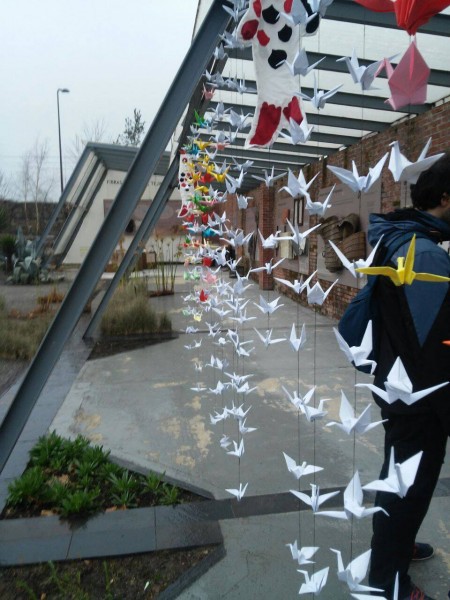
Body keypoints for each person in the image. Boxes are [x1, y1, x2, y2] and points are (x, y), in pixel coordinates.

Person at [366, 152, 450, 600]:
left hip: (398, 384)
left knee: (399, 479)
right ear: (445, 198)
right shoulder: (427, 254)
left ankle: (396, 548)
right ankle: (387, 582)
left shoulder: (401, 235)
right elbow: (433, 347)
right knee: (408, 488)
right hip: (419, 398)